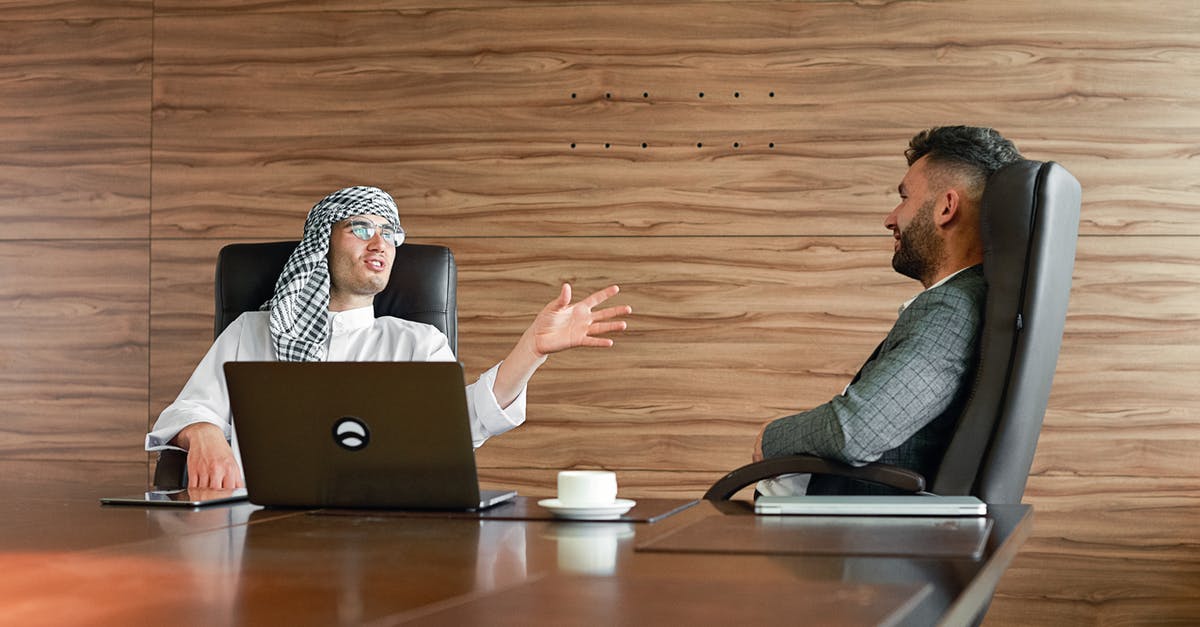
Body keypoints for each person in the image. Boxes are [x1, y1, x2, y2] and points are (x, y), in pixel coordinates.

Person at [147, 186, 631, 489]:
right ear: (321, 244)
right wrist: (206, 433)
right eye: (361, 228)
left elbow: (462, 425)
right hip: (250, 529)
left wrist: (531, 350)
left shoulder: (416, 343)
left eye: (389, 233)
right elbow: (187, 411)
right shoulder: (250, 331)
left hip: (383, 532)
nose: (380, 243)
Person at [753, 126, 1022, 495]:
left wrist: (770, 438)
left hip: (831, 534)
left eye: (904, 197)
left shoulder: (952, 309)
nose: (890, 218)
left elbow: (857, 431)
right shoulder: (969, 297)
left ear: (946, 207)